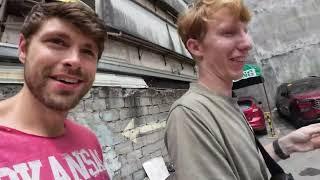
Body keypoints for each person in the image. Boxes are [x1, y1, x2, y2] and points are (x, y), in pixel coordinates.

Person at [164, 0, 320, 179]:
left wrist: (286, 145)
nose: (248, 43)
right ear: (196, 47)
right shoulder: (189, 116)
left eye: (245, 31)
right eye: (229, 33)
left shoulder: (227, 102)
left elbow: (245, 168)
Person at [0, 1, 110, 179]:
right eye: (57, 42)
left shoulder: (89, 140)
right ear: (23, 48)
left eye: (87, 51)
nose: (74, 60)